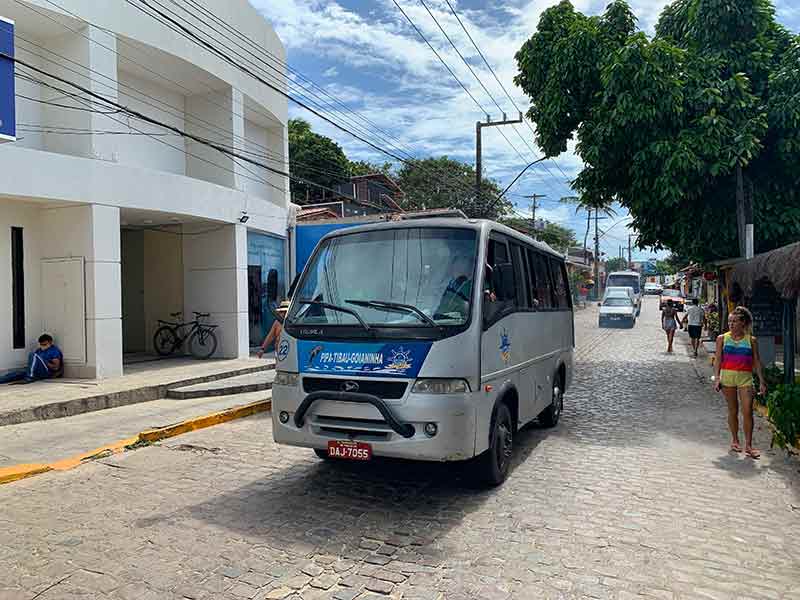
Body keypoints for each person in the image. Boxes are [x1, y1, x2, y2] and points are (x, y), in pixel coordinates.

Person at [714, 306, 766, 459]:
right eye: (730, 321)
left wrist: (762, 381)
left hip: (745, 379)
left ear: (743, 323)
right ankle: (735, 441)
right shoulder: (722, 338)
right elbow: (718, 359)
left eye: (734, 321)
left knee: (748, 411)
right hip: (727, 378)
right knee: (733, 410)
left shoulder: (751, 340)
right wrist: (717, 378)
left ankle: (749, 445)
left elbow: (756, 361)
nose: (731, 324)